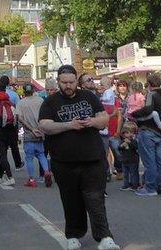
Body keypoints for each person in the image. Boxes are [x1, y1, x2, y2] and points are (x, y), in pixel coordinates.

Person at [38, 65, 120, 250]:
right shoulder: (50, 102)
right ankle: (73, 235)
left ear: (77, 81)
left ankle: (105, 237)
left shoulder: (89, 97)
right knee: (71, 200)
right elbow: (44, 125)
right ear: (58, 82)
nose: (68, 86)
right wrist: (68, 125)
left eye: (71, 82)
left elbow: (104, 119)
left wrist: (92, 121)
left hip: (92, 159)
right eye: (64, 82)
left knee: (95, 198)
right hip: (64, 162)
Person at [16, 83, 51, 188]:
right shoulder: (40, 100)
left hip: (29, 134)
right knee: (41, 155)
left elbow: (20, 118)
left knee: (29, 158)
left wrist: (31, 129)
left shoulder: (21, 103)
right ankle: (46, 172)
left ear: (23, 92)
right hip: (40, 133)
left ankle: (31, 179)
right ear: (33, 90)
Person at [0, 78, 20, 185]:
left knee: (2, 155)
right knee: (4, 154)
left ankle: (10, 177)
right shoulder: (9, 101)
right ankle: (0, 176)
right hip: (10, 133)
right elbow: (16, 117)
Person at [117, 123, 140, 191]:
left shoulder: (134, 141)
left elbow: (135, 147)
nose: (125, 135)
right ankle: (126, 185)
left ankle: (135, 185)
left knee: (133, 173)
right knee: (125, 173)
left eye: (127, 133)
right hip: (124, 160)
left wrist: (130, 143)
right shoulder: (122, 141)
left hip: (133, 160)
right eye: (124, 133)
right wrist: (121, 146)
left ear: (132, 133)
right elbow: (119, 148)